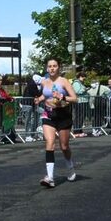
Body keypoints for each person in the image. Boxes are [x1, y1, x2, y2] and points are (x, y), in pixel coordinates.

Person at [33, 59, 78, 188]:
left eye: (54, 66)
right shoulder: (44, 82)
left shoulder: (63, 81)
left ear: (59, 67)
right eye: (49, 66)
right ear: (47, 69)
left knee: (64, 146)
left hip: (63, 115)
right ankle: (50, 177)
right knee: (50, 143)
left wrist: (62, 97)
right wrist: (39, 99)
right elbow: (45, 95)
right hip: (48, 115)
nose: (52, 68)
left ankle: (70, 167)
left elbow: (75, 98)